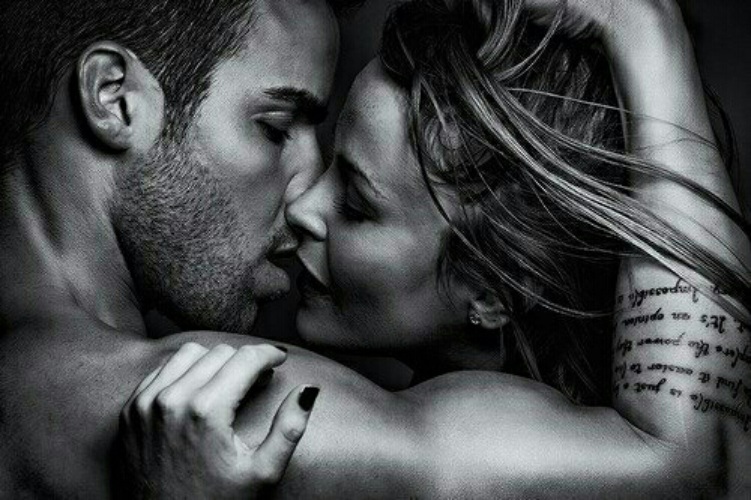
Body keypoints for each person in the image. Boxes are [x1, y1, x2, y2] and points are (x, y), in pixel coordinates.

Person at [0, 0, 746, 497]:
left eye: (354, 197)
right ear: (114, 98)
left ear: (494, 290)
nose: (302, 197)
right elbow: (695, 468)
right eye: (274, 126)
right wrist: (642, 28)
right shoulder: (186, 400)